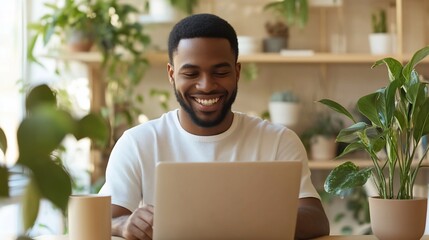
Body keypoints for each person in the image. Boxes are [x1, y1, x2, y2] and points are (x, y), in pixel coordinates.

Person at [100, 13, 330, 240]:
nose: (206, 86)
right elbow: (107, 219)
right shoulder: (138, 143)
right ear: (171, 75)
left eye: (220, 72)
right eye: (191, 73)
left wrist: (238, 221)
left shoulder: (278, 140)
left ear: (237, 72)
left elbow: (315, 219)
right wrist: (124, 225)